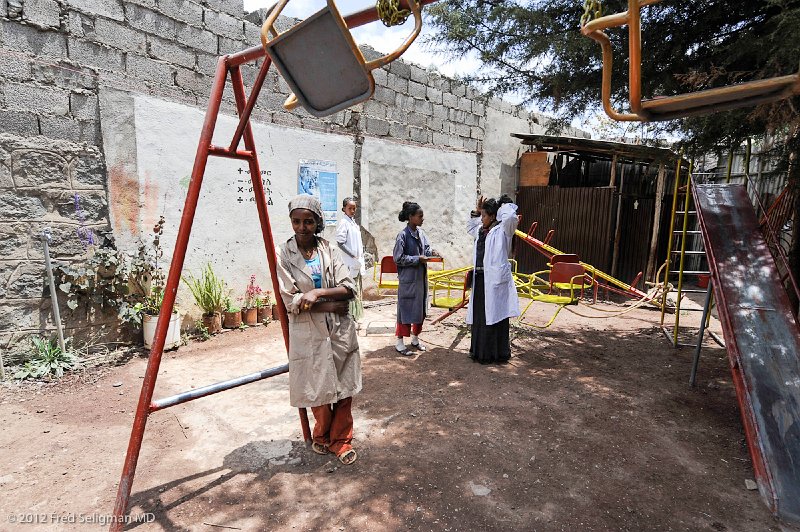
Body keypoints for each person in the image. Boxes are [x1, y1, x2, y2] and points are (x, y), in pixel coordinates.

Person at [276, 194, 361, 465]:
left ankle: (341, 440)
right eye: (297, 221)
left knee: (344, 388)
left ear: (318, 223)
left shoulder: (328, 249)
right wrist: (329, 305)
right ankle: (322, 435)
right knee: (316, 388)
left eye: (309, 222)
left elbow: (349, 288)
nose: (302, 227)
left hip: (339, 330)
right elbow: (291, 300)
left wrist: (317, 293)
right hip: (308, 331)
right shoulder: (283, 254)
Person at [466, 194, 520, 364]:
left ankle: (496, 354)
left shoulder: (504, 230)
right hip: (481, 280)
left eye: (484, 215)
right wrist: (477, 209)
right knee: (480, 317)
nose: (481, 219)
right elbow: (469, 227)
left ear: (493, 216)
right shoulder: (481, 231)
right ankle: (478, 352)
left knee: (495, 317)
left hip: (495, 282)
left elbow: (511, 216)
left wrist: (503, 205)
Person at [393, 201, 436, 356]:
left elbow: (427, 249)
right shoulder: (402, 236)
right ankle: (399, 342)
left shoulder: (421, 233)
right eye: (420, 216)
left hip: (420, 281)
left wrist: (432, 253)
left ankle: (415, 339)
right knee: (404, 311)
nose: (422, 219)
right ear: (411, 217)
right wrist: (417, 259)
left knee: (419, 310)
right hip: (408, 281)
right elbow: (398, 258)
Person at [335, 197, 366, 325]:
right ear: (344, 209)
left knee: (357, 290)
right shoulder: (344, 223)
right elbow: (340, 242)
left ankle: (355, 316)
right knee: (351, 290)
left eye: (354, 208)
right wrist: (352, 254)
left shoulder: (353, 223)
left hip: (356, 262)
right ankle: (350, 316)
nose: (353, 210)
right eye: (350, 208)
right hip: (349, 262)